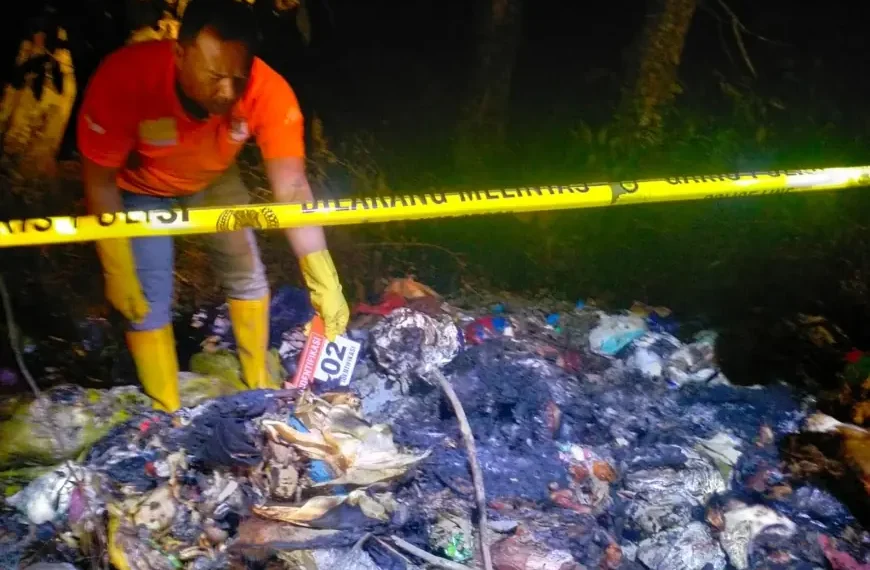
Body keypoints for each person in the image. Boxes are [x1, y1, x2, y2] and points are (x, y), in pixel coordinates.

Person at [76, 0, 349, 413]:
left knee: (247, 274)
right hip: (138, 187)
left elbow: (292, 187)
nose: (226, 92)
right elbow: (98, 181)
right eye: (215, 76)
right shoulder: (126, 78)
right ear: (180, 54)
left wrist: (322, 275)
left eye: (237, 79)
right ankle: (166, 411)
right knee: (146, 301)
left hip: (213, 177)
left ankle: (259, 382)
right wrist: (117, 266)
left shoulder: (267, 92)